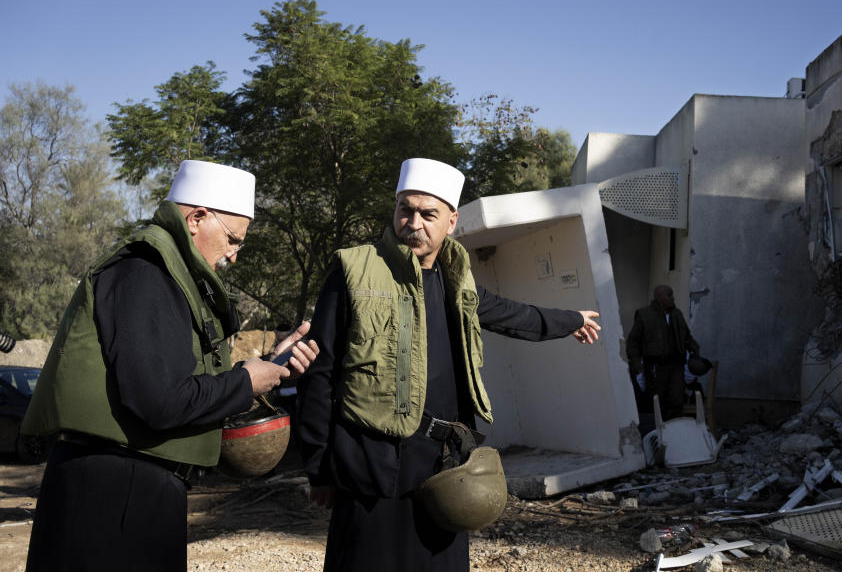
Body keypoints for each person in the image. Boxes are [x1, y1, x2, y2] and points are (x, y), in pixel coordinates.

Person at [296, 158, 602, 572]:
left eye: (428, 214)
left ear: (451, 221)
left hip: (443, 466)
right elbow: (319, 373)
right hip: (371, 466)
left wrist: (571, 321)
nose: (413, 222)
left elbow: (513, 315)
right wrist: (318, 467)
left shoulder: (457, 281)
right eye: (406, 209)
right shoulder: (353, 271)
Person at [21, 160, 320, 572]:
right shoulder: (147, 271)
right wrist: (244, 381)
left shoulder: (168, 273)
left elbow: (181, 386)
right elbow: (159, 401)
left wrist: (267, 370)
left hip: (134, 487)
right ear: (197, 218)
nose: (234, 257)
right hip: (115, 493)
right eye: (233, 240)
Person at [626, 284, 700, 422]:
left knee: (676, 400)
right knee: (656, 401)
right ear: (659, 297)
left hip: (676, 365)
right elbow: (633, 342)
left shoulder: (676, 314)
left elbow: (687, 338)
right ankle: (659, 436)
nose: (673, 298)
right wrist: (637, 364)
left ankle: (674, 434)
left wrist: (694, 352)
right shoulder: (645, 315)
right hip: (655, 366)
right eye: (669, 295)